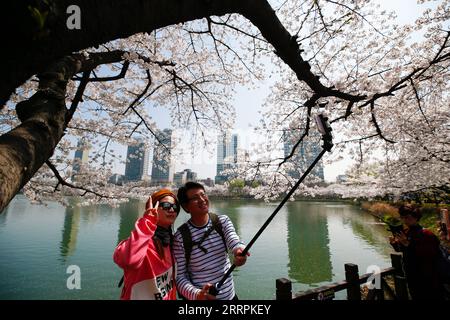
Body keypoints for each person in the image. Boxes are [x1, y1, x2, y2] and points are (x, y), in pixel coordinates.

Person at [173, 181, 249, 300]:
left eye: (203, 195)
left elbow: (233, 239)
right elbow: (180, 277)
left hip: (231, 297)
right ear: (186, 206)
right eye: (195, 198)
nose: (202, 199)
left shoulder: (222, 221)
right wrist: (197, 294)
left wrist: (239, 250)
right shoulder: (180, 237)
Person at [113, 189, 180, 300]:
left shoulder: (172, 243)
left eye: (175, 207)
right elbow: (129, 260)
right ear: (153, 207)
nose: (172, 209)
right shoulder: (140, 243)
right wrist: (148, 219)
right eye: (166, 205)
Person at [389, 204, 445, 300]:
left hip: (427, 278)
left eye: (407, 217)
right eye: (402, 218)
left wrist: (408, 244)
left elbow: (429, 255)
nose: (405, 220)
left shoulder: (426, 234)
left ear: (416, 217)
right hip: (412, 276)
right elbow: (403, 251)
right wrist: (395, 244)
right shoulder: (407, 232)